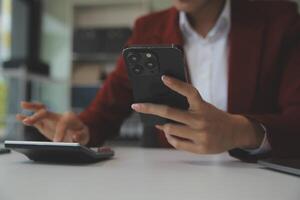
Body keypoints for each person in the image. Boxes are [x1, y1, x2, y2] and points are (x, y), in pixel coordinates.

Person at [16, 0, 300, 162]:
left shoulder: (280, 19)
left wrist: (242, 131)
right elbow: (104, 113)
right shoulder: (148, 28)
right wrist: (80, 130)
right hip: (168, 183)